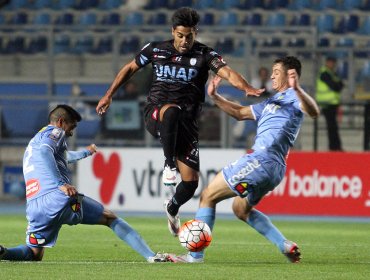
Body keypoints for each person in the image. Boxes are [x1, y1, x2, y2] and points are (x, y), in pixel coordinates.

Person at [96, 7, 263, 237]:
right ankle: (168, 165)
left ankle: (172, 207)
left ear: (195, 32)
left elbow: (228, 72)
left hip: (187, 125)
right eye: (180, 36)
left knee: (191, 182)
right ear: (173, 31)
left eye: (189, 36)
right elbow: (130, 68)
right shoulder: (155, 49)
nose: (185, 41)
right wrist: (109, 94)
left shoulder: (205, 54)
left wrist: (247, 87)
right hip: (157, 114)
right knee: (172, 110)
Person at [168, 56, 320, 263]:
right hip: (274, 169)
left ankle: (195, 256)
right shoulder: (271, 102)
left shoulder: (294, 97)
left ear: (290, 74)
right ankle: (284, 244)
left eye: (276, 71)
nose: (272, 75)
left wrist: (299, 89)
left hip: (262, 160)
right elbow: (240, 113)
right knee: (240, 209)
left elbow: (314, 111)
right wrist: (215, 97)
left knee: (208, 196)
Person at [0, 104, 171, 263]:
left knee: (35, 254)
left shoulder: (35, 142)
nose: (71, 133)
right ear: (61, 122)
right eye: (71, 127)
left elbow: (61, 156)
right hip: (57, 198)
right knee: (110, 218)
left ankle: (4, 253)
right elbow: (46, 152)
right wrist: (61, 184)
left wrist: (85, 153)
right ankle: (151, 256)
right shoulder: (55, 132)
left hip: (35, 206)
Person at [316, 56, 344, 151]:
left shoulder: (331, 73)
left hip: (332, 104)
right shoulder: (325, 73)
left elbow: (340, 85)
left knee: (333, 126)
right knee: (332, 127)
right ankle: (334, 147)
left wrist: (338, 84)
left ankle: (335, 147)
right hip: (327, 104)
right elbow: (336, 86)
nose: (332, 64)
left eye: (333, 62)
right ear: (327, 62)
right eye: (330, 62)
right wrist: (338, 84)